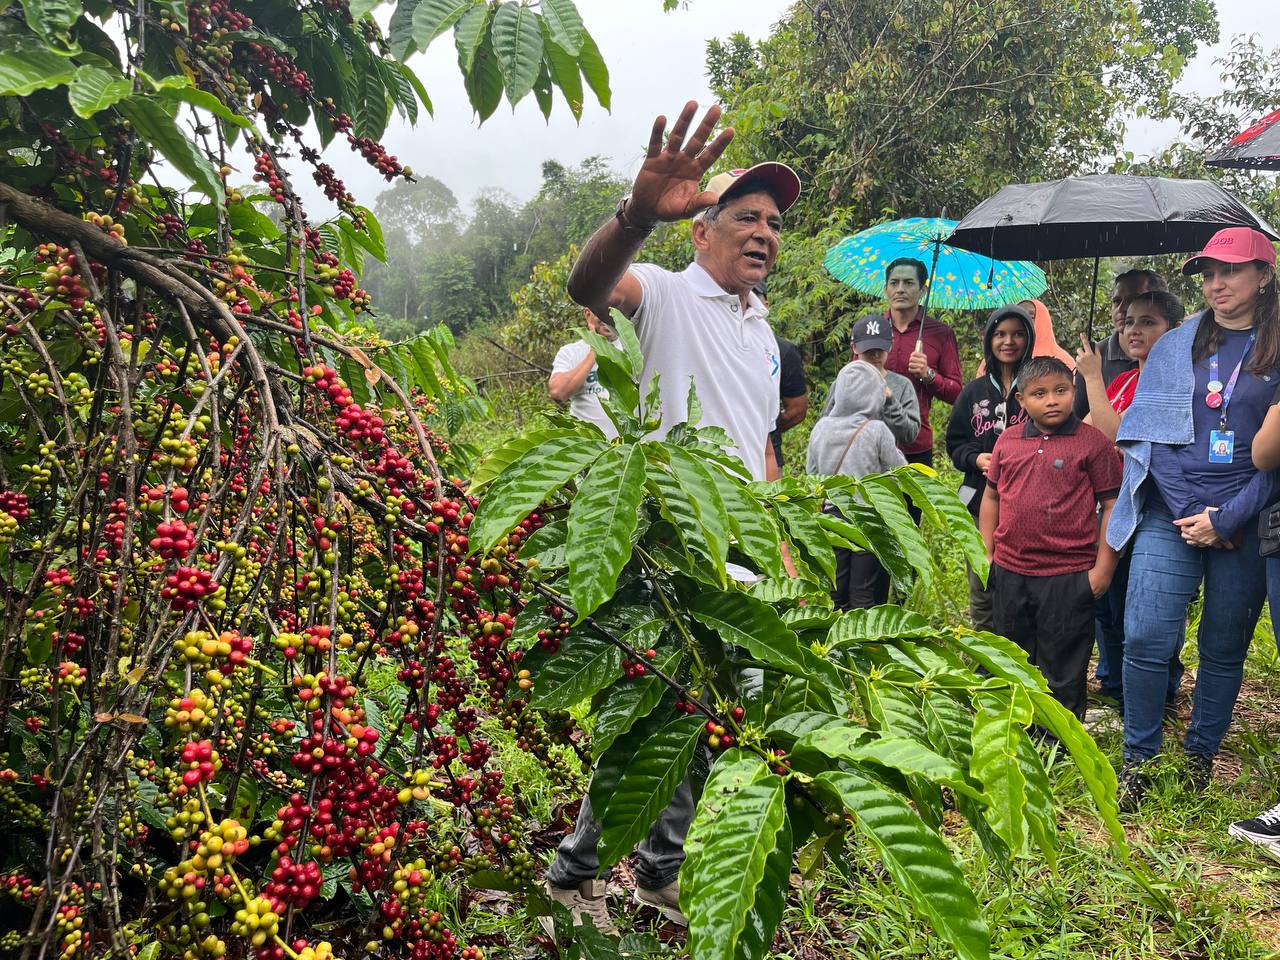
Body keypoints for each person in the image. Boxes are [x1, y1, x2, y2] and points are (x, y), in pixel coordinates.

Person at [550, 100, 801, 931]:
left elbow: (761, 442)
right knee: (658, 715)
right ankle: (575, 871)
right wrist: (633, 215)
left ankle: (660, 870)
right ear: (701, 230)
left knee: (711, 717)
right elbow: (589, 282)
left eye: (773, 221)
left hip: (741, 546)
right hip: (667, 542)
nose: (764, 231)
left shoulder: (766, 332)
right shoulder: (662, 291)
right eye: (745, 217)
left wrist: (779, 550)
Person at [1106, 227, 1280, 812]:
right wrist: (1192, 515)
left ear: (1263, 275)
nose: (1216, 284)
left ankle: (1201, 755)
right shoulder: (1177, 345)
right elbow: (1150, 437)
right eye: (1208, 274)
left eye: (1230, 272)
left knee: (1223, 646)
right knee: (1145, 635)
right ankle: (1139, 758)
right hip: (1171, 511)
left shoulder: (1278, 349)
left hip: (1249, 518)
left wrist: (1228, 517)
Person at [979, 357, 1122, 718]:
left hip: (1068, 574)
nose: (1052, 400)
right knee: (1014, 656)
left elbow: (1112, 504)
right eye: (1039, 393)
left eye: (1061, 390)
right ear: (1021, 400)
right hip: (1011, 571)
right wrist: (986, 554)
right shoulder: (1008, 441)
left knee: (1064, 664)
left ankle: (1059, 738)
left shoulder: (1093, 443)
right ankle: (1017, 727)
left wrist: (1103, 568)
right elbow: (992, 496)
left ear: (1074, 392)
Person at [1075, 291, 1186, 711]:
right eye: (1129, 322)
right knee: (1109, 601)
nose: (1133, 330)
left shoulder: (1172, 384)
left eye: (1148, 322)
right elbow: (1088, 432)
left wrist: (1090, 378)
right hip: (1112, 510)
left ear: (1174, 332)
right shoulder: (1123, 381)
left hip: (1149, 509)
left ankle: (1160, 693)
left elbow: (1120, 434)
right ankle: (1117, 685)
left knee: (1143, 609)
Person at [946, 304, 1035, 631]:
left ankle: (1019, 649)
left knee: (1019, 581)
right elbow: (955, 442)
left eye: (1017, 334)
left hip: (1025, 504)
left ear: (1029, 338)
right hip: (977, 499)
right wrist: (976, 458)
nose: (1008, 341)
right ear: (989, 340)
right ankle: (985, 651)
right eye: (1000, 334)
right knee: (982, 578)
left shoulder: (1038, 387)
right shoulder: (973, 392)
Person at [808, 360, 907, 609]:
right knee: (863, 591)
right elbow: (901, 471)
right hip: (867, 518)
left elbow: (812, 475)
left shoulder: (820, 428)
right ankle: (861, 644)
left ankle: (835, 641)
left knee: (836, 588)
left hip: (832, 517)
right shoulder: (877, 429)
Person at [879, 258, 963, 465]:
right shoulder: (872, 330)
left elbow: (957, 393)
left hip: (916, 445)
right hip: (873, 440)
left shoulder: (940, 334)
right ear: (885, 289)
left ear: (923, 290)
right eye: (894, 283)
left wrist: (928, 375)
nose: (900, 289)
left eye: (909, 283)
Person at [1073, 268, 1169, 419]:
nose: (1122, 308)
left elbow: (1117, 431)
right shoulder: (1092, 358)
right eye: (1117, 301)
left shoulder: (1174, 367)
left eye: (1133, 300)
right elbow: (1079, 422)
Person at [822, 314, 921, 447]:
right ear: (854, 347)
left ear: (890, 346)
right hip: (847, 464)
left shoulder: (902, 385)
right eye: (869, 351)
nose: (875, 356)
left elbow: (910, 434)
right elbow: (823, 428)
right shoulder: (843, 383)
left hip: (887, 463)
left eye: (880, 350)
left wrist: (890, 402)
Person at [547, 308, 619, 438]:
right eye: (601, 309)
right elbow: (558, 392)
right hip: (588, 447)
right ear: (587, 314)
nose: (607, 316)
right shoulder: (571, 352)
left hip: (631, 447)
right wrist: (594, 351)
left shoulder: (635, 348)